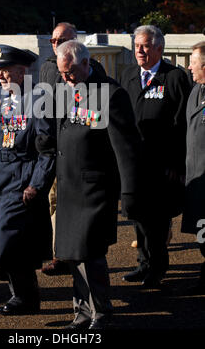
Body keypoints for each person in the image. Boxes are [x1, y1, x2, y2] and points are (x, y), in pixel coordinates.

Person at [50, 40, 142, 330]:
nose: (66, 79)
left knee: (91, 254)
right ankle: (81, 313)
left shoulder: (112, 95)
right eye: (63, 74)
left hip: (94, 190)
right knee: (72, 254)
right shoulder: (67, 90)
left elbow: (126, 149)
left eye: (71, 73)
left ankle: (101, 313)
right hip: (69, 187)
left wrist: (129, 192)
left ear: (87, 64)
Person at [0, 45, 55, 315]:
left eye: (6, 71)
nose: (1, 76)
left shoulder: (38, 98)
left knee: (9, 240)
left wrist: (37, 184)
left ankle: (25, 297)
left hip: (22, 178)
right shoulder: (1, 97)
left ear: (23, 71)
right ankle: (23, 297)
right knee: (8, 241)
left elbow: (47, 149)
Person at [120, 25, 191, 288]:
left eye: (145, 45)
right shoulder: (127, 75)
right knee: (138, 215)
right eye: (137, 45)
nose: (139, 50)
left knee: (158, 219)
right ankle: (143, 263)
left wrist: (176, 163)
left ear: (159, 48)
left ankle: (158, 267)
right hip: (134, 163)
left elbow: (182, 123)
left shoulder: (174, 77)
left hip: (162, 164)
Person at [39, 22, 106, 276]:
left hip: (80, 152)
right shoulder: (47, 67)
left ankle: (71, 254)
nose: (57, 44)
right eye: (54, 41)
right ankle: (60, 253)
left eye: (63, 40)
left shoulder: (92, 68)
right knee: (54, 202)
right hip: (55, 148)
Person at [181, 41, 205, 294]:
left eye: (194, 62)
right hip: (196, 174)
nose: (189, 67)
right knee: (201, 229)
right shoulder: (195, 90)